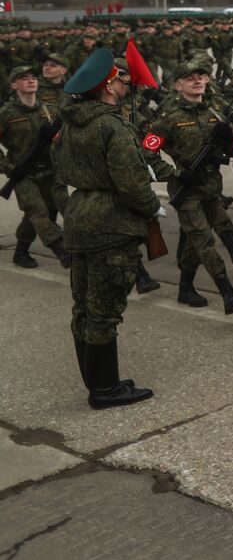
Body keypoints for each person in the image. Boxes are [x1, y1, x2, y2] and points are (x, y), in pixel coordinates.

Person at [52, 48, 163, 409]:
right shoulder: (111, 124)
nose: (124, 83)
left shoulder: (69, 121)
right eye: (118, 78)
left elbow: (59, 165)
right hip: (111, 223)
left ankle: (99, 379)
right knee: (105, 309)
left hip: (80, 213)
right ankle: (105, 389)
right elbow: (131, 182)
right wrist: (153, 207)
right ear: (108, 87)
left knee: (84, 306)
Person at [141, 60, 233, 314]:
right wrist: (175, 173)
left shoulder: (215, 114)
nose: (198, 81)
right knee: (203, 239)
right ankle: (227, 290)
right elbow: (147, 152)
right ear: (178, 85)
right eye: (190, 78)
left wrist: (229, 137)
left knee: (193, 243)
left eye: (201, 76)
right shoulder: (169, 118)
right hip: (186, 190)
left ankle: (185, 288)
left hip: (211, 188)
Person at [0, 64, 70, 269]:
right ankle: (61, 250)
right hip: (23, 174)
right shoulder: (6, 113)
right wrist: (8, 167)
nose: (31, 80)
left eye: (33, 77)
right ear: (13, 85)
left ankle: (21, 251)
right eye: (23, 78)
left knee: (61, 208)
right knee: (38, 211)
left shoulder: (49, 110)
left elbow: (64, 138)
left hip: (51, 169)